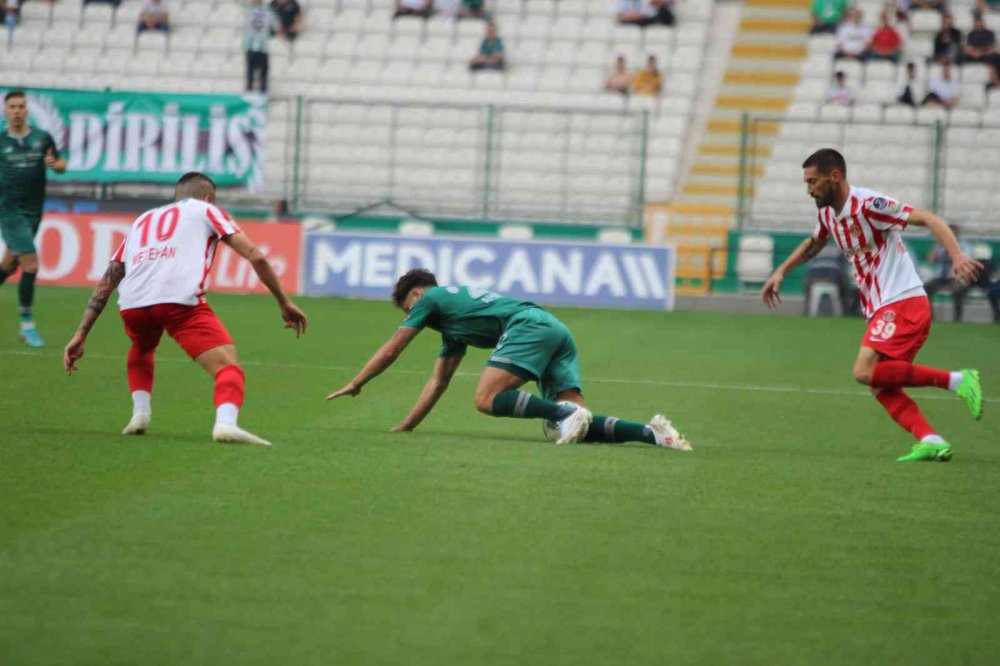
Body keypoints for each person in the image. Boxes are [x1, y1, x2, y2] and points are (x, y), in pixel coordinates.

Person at [761, 148, 984, 462]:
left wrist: (957, 255)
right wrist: (781, 271)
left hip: (903, 300)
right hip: (882, 307)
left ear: (834, 177)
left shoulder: (869, 205)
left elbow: (928, 218)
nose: (809, 189)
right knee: (880, 382)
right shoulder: (827, 214)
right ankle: (931, 439)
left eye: (813, 181)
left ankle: (959, 380)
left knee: (863, 370)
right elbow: (814, 244)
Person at [62, 172, 308, 446]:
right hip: (178, 302)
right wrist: (283, 301)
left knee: (142, 348)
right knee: (229, 368)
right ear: (208, 198)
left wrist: (81, 333)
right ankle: (226, 424)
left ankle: (140, 413)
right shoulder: (207, 210)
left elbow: (110, 276)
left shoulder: (143, 220)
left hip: (133, 303)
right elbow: (256, 255)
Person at [325, 269, 692, 451]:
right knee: (577, 429)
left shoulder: (430, 301)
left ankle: (565, 412)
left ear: (417, 294)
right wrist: (405, 426)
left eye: (408, 309)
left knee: (487, 399)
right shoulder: (453, 326)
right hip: (553, 328)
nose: (411, 317)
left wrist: (358, 382)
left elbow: (393, 348)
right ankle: (654, 434)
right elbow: (438, 382)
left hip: (527, 326)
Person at [0, 91, 67, 348]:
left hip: (33, 211)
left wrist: (55, 164)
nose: (17, 110)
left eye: (21, 106)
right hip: (9, 211)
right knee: (30, 264)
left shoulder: (42, 138)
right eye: (12, 106)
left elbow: (61, 165)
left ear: (27, 110)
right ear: (6, 111)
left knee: (9, 263)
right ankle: (28, 327)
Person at [922, 225, 982, 322]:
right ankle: (931, 316)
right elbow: (931, 260)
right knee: (925, 288)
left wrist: (951, 248)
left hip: (955, 276)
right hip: (940, 276)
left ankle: (957, 318)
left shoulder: (963, 245)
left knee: (957, 291)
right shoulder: (940, 244)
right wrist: (937, 246)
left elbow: (963, 260)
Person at [245, 0, 279, 93]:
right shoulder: (268, 11)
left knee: (250, 75)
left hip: (250, 46)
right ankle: (262, 97)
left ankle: (249, 96)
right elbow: (277, 26)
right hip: (262, 47)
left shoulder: (248, 9)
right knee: (263, 75)